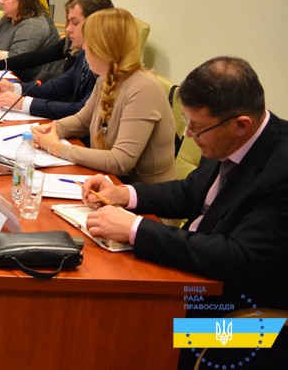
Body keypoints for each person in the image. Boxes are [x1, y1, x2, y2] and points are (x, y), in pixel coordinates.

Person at [81, 57, 288, 370]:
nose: (188, 135)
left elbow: (238, 258)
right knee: (99, 300)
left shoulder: (281, 170)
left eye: (197, 127)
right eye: (187, 122)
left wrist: (136, 229)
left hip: (247, 318)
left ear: (241, 125)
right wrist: (125, 194)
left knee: (128, 326)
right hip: (197, 282)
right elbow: (191, 192)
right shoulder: (226, 137)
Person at [32, 8, 176, 183]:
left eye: (88, 42)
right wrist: (54, 129)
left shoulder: (144, 89)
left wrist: (57, 148)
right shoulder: (105, 78)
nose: (84, 47)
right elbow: (82, 121)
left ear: (103, 48)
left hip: (143, 194)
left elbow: (120, 161)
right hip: (109, 182)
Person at [0, 0, 114, 120]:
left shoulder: (105, 65)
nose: (68, 29)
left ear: (95, 24)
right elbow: (58, 87)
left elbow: (81, 110)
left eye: (75, 23)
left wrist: (24, 103)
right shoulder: (83, 54)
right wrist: (14, 87)